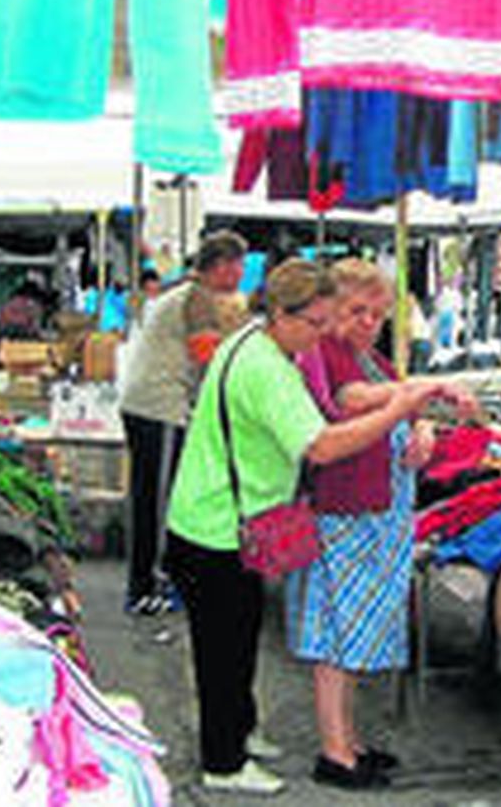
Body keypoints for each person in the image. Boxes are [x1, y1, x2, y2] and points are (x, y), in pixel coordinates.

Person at [164, 259, 439, 796]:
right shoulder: (267, 367)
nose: (321, 335)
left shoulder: (253, 341)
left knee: (237, 641)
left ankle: (238, 733)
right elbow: (323, 445)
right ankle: (223, 762)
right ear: (281, 315)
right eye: (314, 323)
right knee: (222, 651)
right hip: (216, 525)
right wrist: (401, 407)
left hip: (220, 517)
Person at [290, 259, 475, 791]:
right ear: (330, 310)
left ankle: (348, 740)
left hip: (374, 513)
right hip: (344, 512)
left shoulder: (366, 357)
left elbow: (395, 401)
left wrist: (422, 430)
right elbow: (356, 402)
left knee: (352, 637)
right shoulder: (324, 354)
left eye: (377, 313)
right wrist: (426, 392)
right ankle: (334, 751)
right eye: (356, 311)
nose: (368, 321)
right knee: (335, 635)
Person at [118, 231, 248, 615]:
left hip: (149, 405)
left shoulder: (182, 292)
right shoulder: (198, 298)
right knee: (159, 504)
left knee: (151, 498)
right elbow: (208, 356)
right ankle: (148, 587)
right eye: (239, 264)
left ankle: (151, 581)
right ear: (221, 265)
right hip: (162, 406)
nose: (242, 273)